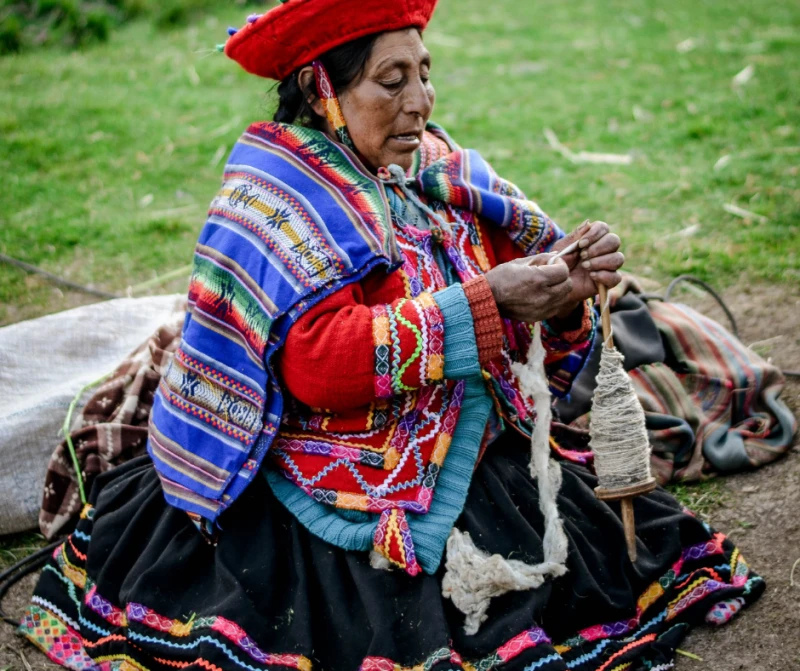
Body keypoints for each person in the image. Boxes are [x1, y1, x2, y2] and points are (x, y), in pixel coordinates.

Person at [19, 1, 763, 669]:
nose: (421, 101)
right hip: (310, 463)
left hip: (447, 435)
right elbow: (315, 361)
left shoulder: (434, 168)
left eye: (426, 73)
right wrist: (488, 302)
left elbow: (512, 267)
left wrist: (565, 286)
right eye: (392, 80)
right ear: (322, 88)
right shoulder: (276, 197)